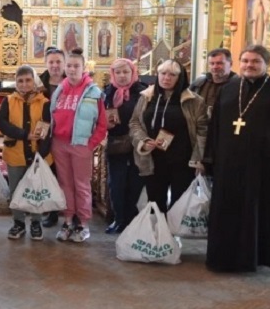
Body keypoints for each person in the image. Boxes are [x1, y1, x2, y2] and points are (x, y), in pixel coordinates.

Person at [204, 45, 270, 272]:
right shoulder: (229, 90)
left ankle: (262, 257)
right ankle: (225, 257)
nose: (249, 65)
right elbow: (215, 129)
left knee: (262, 213)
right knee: (228, 212)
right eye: (245, 61)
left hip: (266, 169)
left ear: (266, 64)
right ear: (239, 63)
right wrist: (210, 160)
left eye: (255, 61)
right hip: (228, 167)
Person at [129, 59, 207, 213]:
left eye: (172, 75)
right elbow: (135, 123)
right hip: (153, 160)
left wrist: (198, 159)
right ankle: (157, 234)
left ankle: (173, 236)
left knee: (179, 205)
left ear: (181, 77)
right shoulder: (146, 97)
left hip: (183, 162)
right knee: (155, 205)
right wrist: (143, 141)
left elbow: (202, 131)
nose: (166, 78)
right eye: (163, 73)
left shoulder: (194, 101)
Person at [50, 49, 107, 243]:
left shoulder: (94, 91)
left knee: (81, 185)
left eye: (76, 66)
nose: (72, 69)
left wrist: (90, 144)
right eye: (69, 66)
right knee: (64, 183)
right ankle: (67, 221)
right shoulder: (60, 88)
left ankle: (83, 223)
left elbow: (102, 123)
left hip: (81, 144)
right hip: (60, 143)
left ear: (83, 68)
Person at [0, 66, 52, 241]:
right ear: (16, 82)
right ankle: (18, 223)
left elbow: (48, 130)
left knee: (35, 190)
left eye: (28, 80)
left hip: (37, 155)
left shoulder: (44, 103)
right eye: (20, 81)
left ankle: (36, 222)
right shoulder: (9, 100)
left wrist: (41, 155)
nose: (24, 84)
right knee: (16, 190)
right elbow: (2, 123)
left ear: (34, 81)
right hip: (16, 154)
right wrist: (23, 134)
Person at [103, 58, 147, 234]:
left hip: (137, 144)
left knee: (135, 183)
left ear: (133, 73)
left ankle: (132, 220)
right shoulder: (108, 92)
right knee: (116, 184)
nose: (122, 76)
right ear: (113, 75)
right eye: (118, 72)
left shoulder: (143, 92)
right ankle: (119, 219)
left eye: (125, 72)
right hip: (117, 144)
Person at [38, 47, 66, 228]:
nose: (55, 66)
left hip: (66, 135)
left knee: (66, 176)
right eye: (51, 62)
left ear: (64, 63)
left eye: (58, 62)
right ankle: (52, 212)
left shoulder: (73, 81)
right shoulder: (38, 83)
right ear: (46, 64)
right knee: (49, 174)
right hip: (45, 136)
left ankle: (70, 213)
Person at [189, 48, 238, 118]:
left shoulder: (239, 86)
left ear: (230, 64)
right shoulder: (198, 84)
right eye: (212, 63)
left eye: (219, 63)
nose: (215, 67)